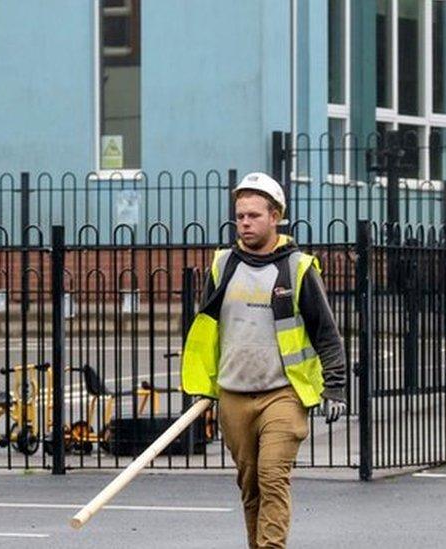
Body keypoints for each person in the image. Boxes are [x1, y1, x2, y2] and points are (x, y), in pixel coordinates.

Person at [182, 172, 347, 547]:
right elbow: (206, 330)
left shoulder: (297, 268)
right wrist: (203, 388)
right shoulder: (223, 266)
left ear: (275, 217)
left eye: (254, 215)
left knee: (273, 476)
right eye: (240, 216)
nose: (244, 223)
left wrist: (334, 388)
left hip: (283, 393)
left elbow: (326, 332)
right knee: (251, 484)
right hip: (233, 394)